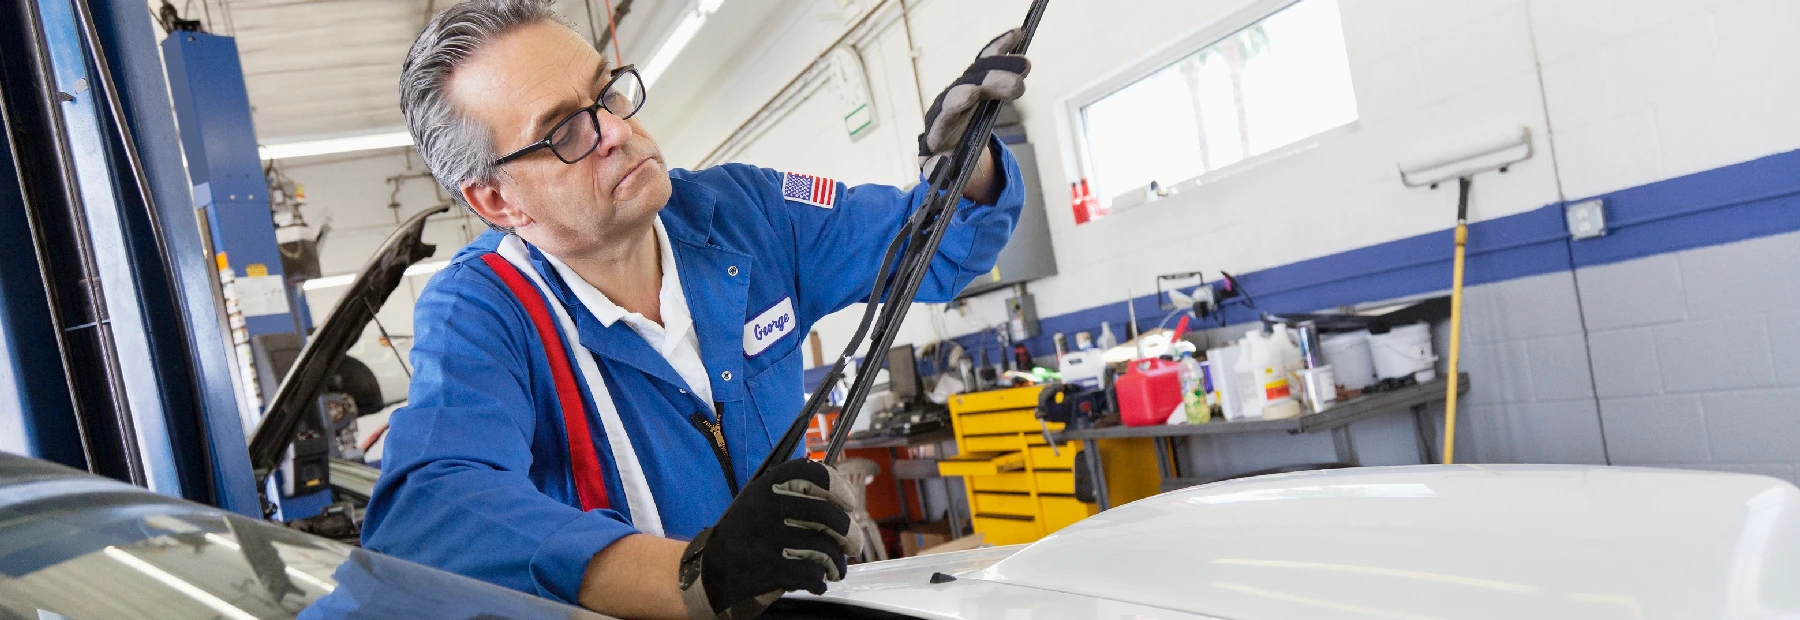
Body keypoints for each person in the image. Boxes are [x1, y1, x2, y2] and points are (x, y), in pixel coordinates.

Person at [359, 1, 1031, 619]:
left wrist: (964, 168)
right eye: (564, 131)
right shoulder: (482, 309)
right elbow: (430, 514)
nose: (616, 130)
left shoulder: (746, 215)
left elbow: (935, 250)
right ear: (498, 201)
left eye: (607, 92)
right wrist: (699, 573)